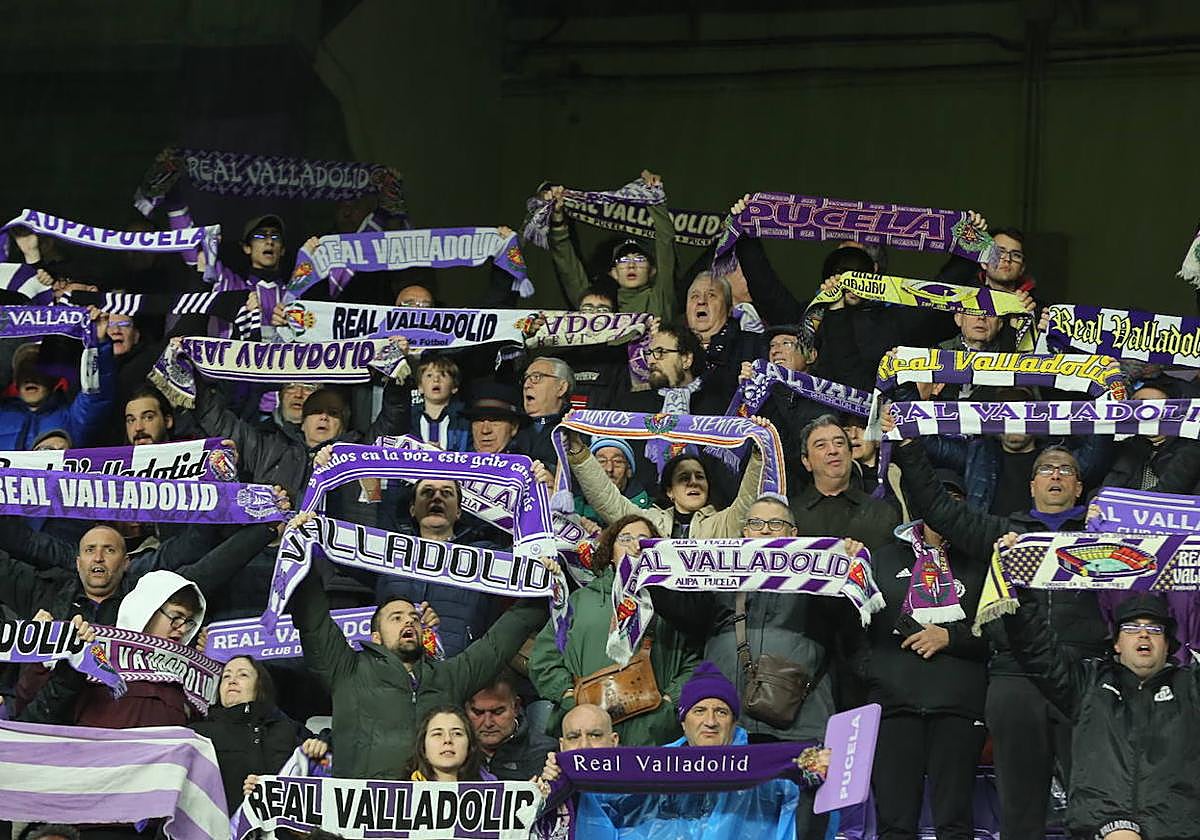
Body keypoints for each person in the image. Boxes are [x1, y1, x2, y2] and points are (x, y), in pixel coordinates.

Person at [889, 426, 1108, 840]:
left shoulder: (1103, 538)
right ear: (1032, 484)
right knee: (1019, 814)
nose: (1056, 475)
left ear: (1080, 487)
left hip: (1084, 675)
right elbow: (940, 510)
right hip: (1015, 674)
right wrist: (909, 445)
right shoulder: (1003, 534)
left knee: (1094, 806)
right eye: (1046, 469)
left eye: (1066, 470)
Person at [647, 497, 862, 839]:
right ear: (743, 533)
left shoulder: (817, 580)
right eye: (756, 524)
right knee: (734, 824)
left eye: (776, 525)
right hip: (730, 727)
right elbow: (682, 610)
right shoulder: (721, 575)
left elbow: (848, 623)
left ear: (795, 534)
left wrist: (845, 568)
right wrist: (652, 570)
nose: (765, 531)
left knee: (803, 824)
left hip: (800, 727)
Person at [285, 511, 550, 778]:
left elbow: (500, 641)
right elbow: (313, 619)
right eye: (396, 618)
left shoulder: (448, 676)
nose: (408, 622)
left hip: (430, 815)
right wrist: (297, 545)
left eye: (414, 617)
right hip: (363, 815)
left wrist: (544, 585)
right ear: (375, 636)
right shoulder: (347, 670)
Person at [539, 662, 828, 840]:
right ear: (683, 720)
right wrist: (560, 780)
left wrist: (817, 773)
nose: (710, 722)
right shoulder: (649, 766)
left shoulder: (766, 769)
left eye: (721, 712)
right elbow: (599, 807)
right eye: (699, 711)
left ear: (734, 721)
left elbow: (806, 816)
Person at [1003, 592, 1200, 840]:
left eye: (1154, 629)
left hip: (1176, 829)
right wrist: (1018, 592)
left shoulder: (1191, 687)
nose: (1143, 634)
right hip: (1102, 824)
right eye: (1131, 628)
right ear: (1116, 643)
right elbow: (1035, 648)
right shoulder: (1088, 682)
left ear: (1168, 644)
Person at [865, 477, 989, 840]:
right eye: (938, 498)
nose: (946, 507)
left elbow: (1003, 631)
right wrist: (873, 674)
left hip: (958, 704)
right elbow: (854, 630)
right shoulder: (881, 557)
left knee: (954, 823)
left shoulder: (981, 562)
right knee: (894, 823)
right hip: (894, 704)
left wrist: (951, 636)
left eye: (955, 500)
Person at [531, 515, 700, 747]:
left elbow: (694, 660)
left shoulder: (673, 603)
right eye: (625, 538)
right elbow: (544, 657)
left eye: (644, 540)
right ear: (610, 552)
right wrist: (568, 696)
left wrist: (670, 703)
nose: (635, 545)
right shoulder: (579, 601)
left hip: (653, 735)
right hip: (587, 733)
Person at [21, 570, 207, 728]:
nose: (182, 628)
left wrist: (212, 660)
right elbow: (29, 708)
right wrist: (44, 649)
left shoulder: (189, 673)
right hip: (99, 765)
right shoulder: (93, 646)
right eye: (177, 616)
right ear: (147, 608)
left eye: (190, 622)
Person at [562, 418, 767, 540]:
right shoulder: (649, 521)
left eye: (700, 477)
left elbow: (748, 499)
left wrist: (760, 453)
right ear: (670, 491)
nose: (693, 482)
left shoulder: (724, 523)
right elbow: (606, 498)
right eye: (683, 478)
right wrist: (578, 450)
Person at [377, 479, 503, 656]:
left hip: (458, 672)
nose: (436, 497)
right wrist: (324, 468)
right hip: (393, 668)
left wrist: (544, 491)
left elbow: (533, 556)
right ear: (413, 509)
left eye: (446, 493)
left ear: (458, 511)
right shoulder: (386, 551)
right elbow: (329, 542)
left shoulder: (485, 554)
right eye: (427, 492)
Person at [193, 655, 329, 815]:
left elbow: (335, 747)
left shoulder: (285, 728)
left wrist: (323, 743)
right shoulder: (199, 734)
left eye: (242, 674)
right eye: (226, 676)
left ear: (260, 685)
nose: (232, 680)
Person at [544, 171, 677, 320]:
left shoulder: (660, 297)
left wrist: (654, 197)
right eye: (623, 260)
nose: (631, 266)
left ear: (653, 270)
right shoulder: (599, 303)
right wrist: (556, 217)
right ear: (613, 273)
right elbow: (568, 267)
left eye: (639, 259)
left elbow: (666, 240)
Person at [790, 415, 900, 549]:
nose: (833, 450)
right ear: (806, 461)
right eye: (821, 445)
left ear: (850, 454)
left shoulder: (882, 513)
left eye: (839, 443)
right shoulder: (790, 515)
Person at [0, 329, 115, 450]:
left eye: (38, 371)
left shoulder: (71, 416)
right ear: (15, 381)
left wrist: (99, 343)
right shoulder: (2, 414)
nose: (30, 378)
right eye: (24, 371)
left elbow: (95, 394)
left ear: (53, 380)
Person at [466, 670, 557, 781]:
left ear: (516, 707)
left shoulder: (544, 753)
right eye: (478, 712)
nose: (488, 723)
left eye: (498, 712)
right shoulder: (450, 750)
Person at [512, 357, 574, 469]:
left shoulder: (577, 430)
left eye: (536, 377)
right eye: (526, 378)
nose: (526, 385)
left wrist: (554, 478)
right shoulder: (513, 424)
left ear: (561, 388)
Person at [574, 438, 652, 526]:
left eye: (617, 461)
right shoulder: (575, 507)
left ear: (629, 470)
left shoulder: (649, 508)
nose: (609, 468)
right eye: (601, 461)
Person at [405, 705, 490, 781]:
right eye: (437, 734)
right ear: (423, 746)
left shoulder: (491, 790)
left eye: (457, 733)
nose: (448, 740)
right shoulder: (401, 794)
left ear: (470, 744)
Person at [409, 355, 470, 451]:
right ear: (420, 387)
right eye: (429, 375)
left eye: (443, 375)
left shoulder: (464, 421)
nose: (436, 380)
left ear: (454, 387)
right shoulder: (408, 419)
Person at [463, 382, 527, 455]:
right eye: (479, 420)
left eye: (494, 421)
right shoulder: (457, 465)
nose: (485, 430)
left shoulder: (529, 465)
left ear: (514, 427)